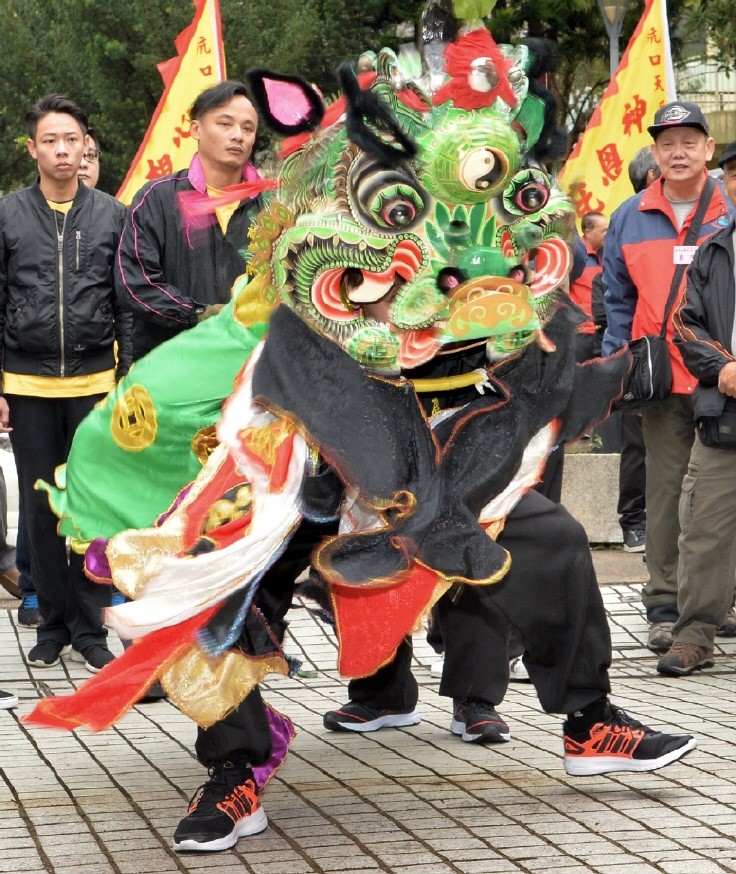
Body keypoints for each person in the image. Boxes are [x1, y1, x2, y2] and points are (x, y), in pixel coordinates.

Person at [0, 94, 131, 672]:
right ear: (33, 149)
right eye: (49, 140)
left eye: (70, 140)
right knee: (40, 510)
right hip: (26, 384)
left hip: (95, 382)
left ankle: (91, 624)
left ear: (86, 146)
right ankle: (51, 623)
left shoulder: (111, 215)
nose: (61, 150)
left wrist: (127, 378)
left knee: (89, 509)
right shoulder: (7, 215)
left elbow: (126, 304)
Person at [602, 101, 734, 655]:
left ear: (708, 149)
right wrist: (614, 368)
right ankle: (662, 604)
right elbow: (615, 299)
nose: (678, 151)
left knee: (714, 500)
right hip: (658, 378)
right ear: (654, 153)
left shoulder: (728, 210)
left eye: (689, 141)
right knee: (663, 494)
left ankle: (713, 602)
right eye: (667, 143)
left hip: (721, 376)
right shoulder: (629, 216)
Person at [656, 140, 736, 675]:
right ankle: (694, 635)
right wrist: (725, 367)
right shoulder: (713, 250)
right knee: (704, 527)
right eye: (735, 175)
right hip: (727, 407)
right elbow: (683, 322)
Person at [115, 80, 262, 361]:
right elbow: (135, 282)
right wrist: (197, 314)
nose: (238, 136)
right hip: (171, 364)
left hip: (247, 367)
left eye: (248, 128)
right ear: (195, 128)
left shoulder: (271, 208)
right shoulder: (156, 199)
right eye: (225, 124)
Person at [570, 211, 607, 361]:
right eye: (603, 230)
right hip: (582, 333)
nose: (608, 233)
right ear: (588, 232)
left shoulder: (607, 254)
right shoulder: (576, 257)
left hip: (603, 330)